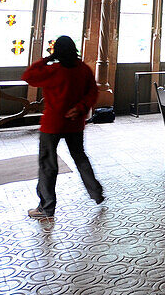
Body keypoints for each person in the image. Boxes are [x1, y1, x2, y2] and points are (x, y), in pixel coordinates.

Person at [22, 35, 104, 219]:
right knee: (80, 158)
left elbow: (28, 76)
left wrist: (47, 59)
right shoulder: (83, 69)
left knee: (48, 166)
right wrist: (81, 108)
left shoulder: (53, 70)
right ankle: (96, 192)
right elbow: (93, 91)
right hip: (75, 123)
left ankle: (46, 208)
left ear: (56, 51)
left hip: (53, 123)